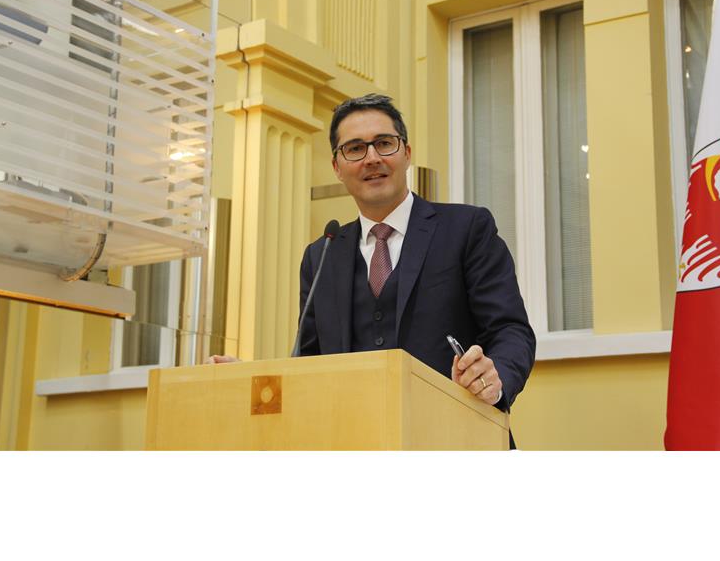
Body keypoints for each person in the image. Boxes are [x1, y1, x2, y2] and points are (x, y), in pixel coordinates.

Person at [209, 93, 536, 445]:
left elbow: (510, 330)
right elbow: (310, 365)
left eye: (384, 143)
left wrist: (495, 378)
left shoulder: (467, 228)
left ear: (406, 153)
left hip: (456, 439)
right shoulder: (321, 255)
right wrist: (254, 379)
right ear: (337, 166)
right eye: (355, 148)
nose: (372, 158)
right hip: (354, 443)